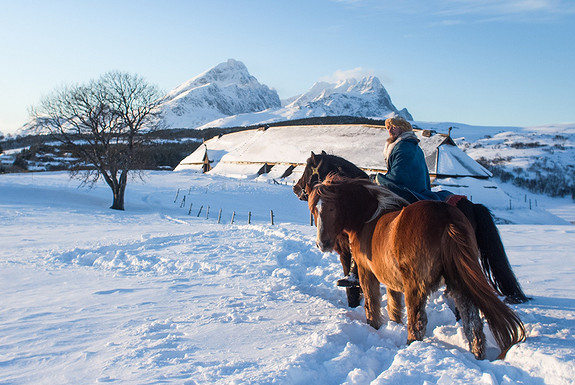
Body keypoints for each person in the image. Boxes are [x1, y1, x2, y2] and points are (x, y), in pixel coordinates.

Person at [337, 117, 449, 288]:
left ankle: (357, 270)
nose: (390, 130)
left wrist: (376, 179)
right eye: (388, 127)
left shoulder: (404, 147)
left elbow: (398, 177)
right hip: (415, 190)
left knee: (365, 217)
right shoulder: (411, 146)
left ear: (403, 129)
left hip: (407, 193)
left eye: (394, 127)